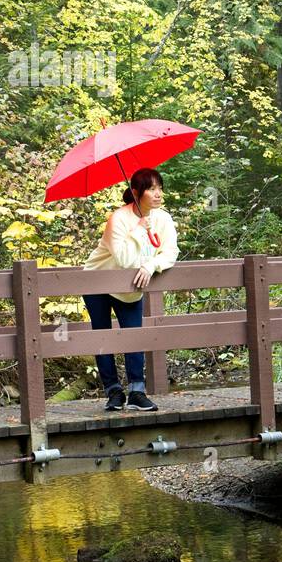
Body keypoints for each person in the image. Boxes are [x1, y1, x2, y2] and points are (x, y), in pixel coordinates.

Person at [81, 167, 179, 411]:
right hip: (98, 280)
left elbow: (170, 252)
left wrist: (151, 266)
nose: (158, 194)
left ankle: (137, 391)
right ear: (136, 192)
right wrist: (137, 229)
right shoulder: (119, 219)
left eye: (160, 188)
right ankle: (113, 391)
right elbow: (124, 259)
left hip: (131, 285)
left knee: (133, 335)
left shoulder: (163, 219)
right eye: (151, 189)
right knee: (102, 336)